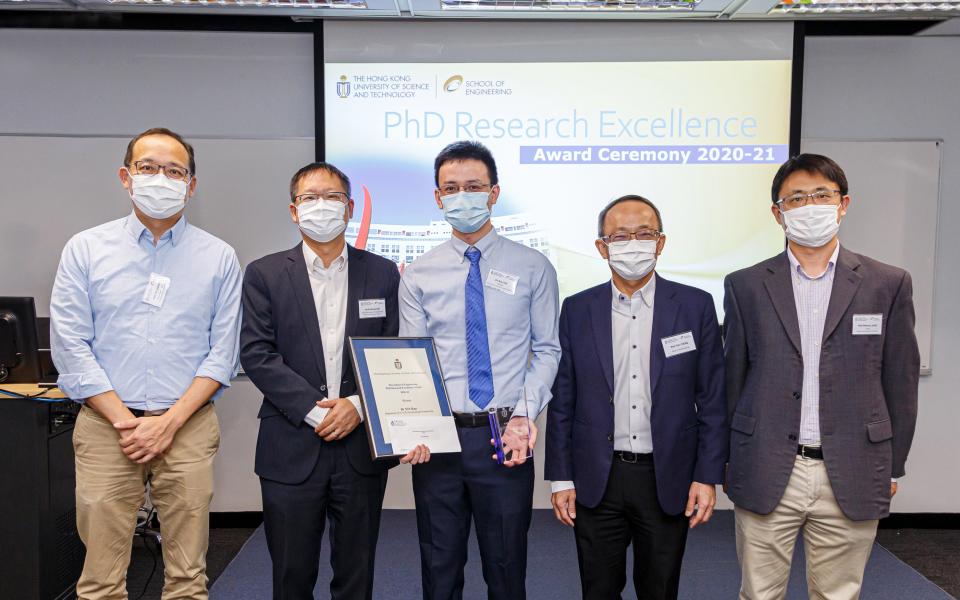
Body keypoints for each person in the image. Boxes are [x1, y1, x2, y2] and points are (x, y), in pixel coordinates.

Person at [50, 127, 242, 600]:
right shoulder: (85, 249)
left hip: (188, 425)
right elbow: (71, 344)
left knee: (187, 578)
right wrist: (126, 421)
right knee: (99, 580)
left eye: (174, 170)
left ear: (191, 184)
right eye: (148, 167)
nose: (162, 178)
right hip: (105, 426)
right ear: (126, 176)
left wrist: (168, 422)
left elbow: (224, 353)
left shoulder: (218, 257)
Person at [723, 154, 920, 600]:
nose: (808, 205)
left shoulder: (887, 283)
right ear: (778, 213)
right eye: (796, 198)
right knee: (758, 594)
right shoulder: (746, 285)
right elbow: (733, 378)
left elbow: (900, 381)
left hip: (851, 464)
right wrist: (729, 457)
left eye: (820, 195)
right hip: (768, 462)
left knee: (838, 595)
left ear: (843, 203)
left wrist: (893, 463)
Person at [240, 162, 429, 600]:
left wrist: (357, 407)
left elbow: (394, 349)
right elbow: (256, 354)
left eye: (332, 198)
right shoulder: (265, 273)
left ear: (350, 208)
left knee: (356, 572)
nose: (321, 207)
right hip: (289, 446)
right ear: (293, 210)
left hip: (359, 448)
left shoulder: (381, 272)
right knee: (291, 573)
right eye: (310, 198)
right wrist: (315, 411)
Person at [399, 140, 560, 600]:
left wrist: (525, 417)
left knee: (506, 567)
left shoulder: (533, 267)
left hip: (504, 434)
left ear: (494, 193)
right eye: (451, 188)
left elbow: (547, 350)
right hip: (440, 438)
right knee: (439, 563)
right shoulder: (418, 275)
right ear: (437, 197)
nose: (462, 196)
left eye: (473, 186)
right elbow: (414, 359)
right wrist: (413, 424)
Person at [545, 195, 728, 600]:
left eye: (644, 234)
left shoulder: (696, 306)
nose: (633, 244)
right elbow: (564, 400)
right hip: (598, 475)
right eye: (621, 236)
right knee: (598, 589)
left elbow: (713, 399)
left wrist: (706, 475)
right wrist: (561, 476)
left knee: (659, 589)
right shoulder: (577, 309)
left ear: (660, 243)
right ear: (601, 246)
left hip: (667, 476)